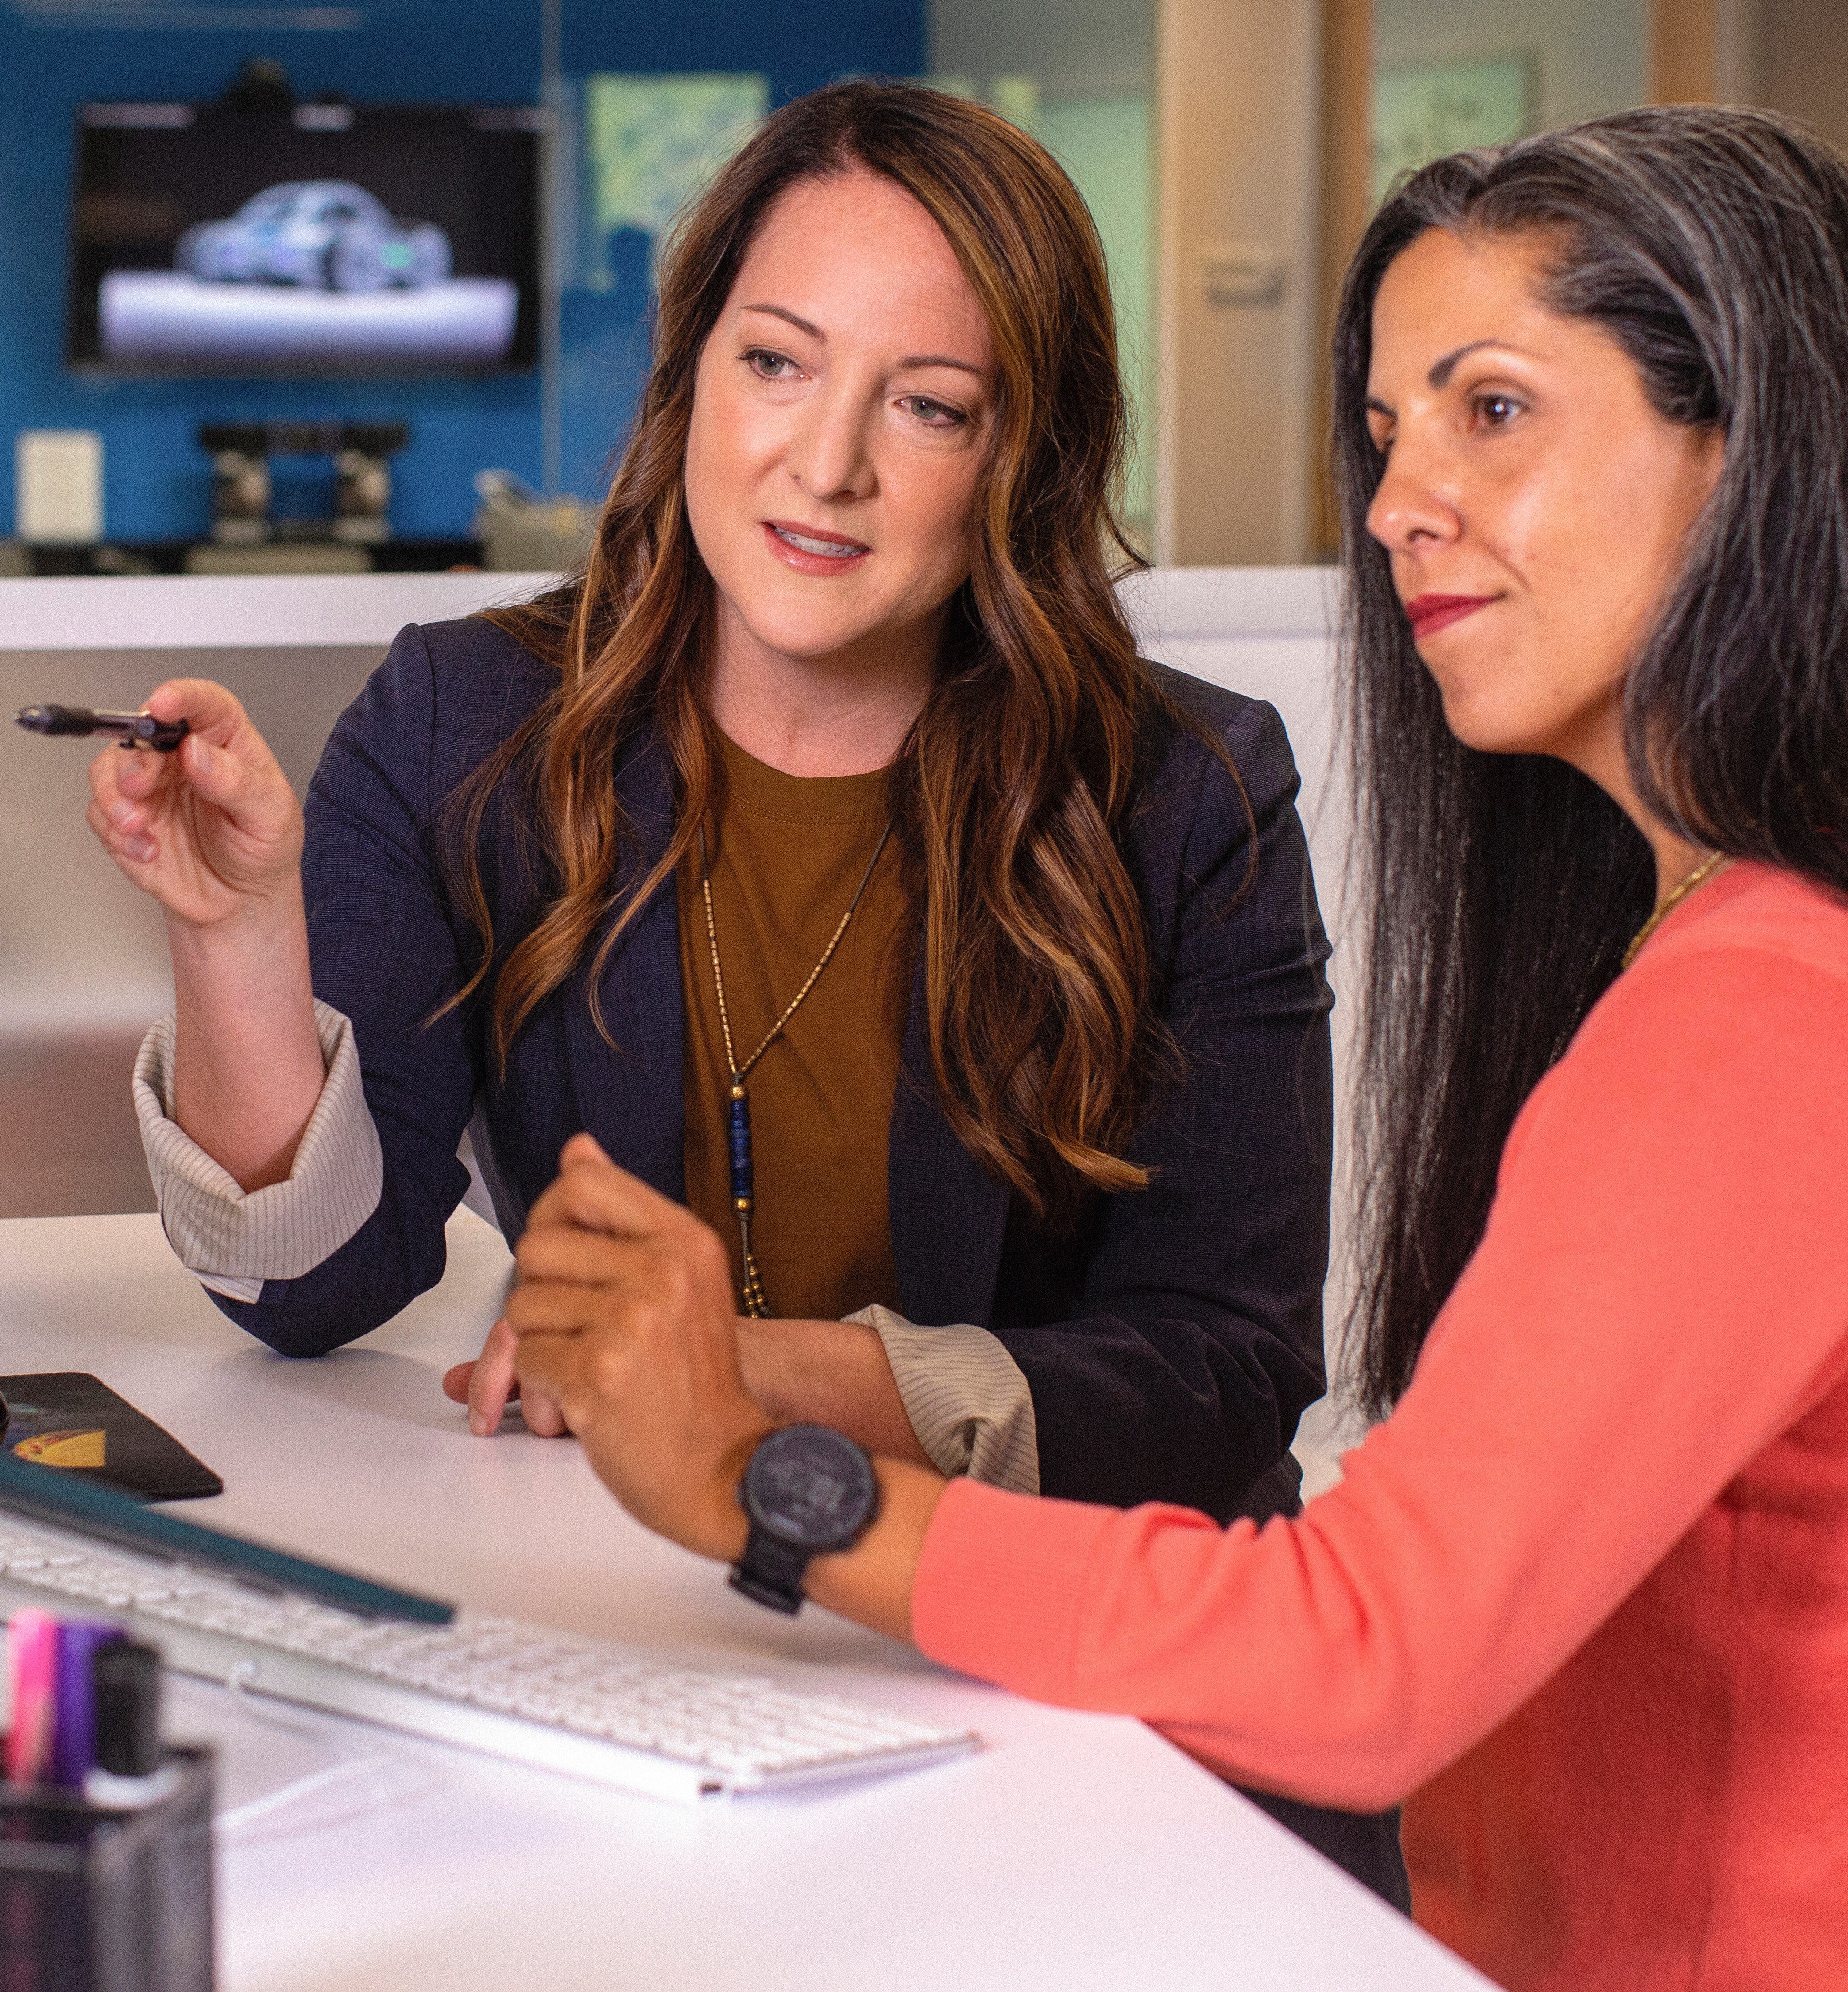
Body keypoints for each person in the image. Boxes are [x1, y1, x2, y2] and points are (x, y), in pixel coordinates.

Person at [500, 104, 1848, 1990]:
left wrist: (758, 1482)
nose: (1398, 501)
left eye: (1491, 411)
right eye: (1389, 433)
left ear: (1753, 453)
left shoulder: (1785, 1007)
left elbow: (1366, 1661)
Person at [74, 81, 1396, 1892]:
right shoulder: (464, 723)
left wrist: (750, 1388)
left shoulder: (1183, 787)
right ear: (692, 370)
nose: (823, 465)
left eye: (925, 407)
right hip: (655, 1665)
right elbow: (317, 1288)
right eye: (776, 364)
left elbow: (1225, 1377)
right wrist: (231, 932)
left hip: (1059, 1692)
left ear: (1024, 457)